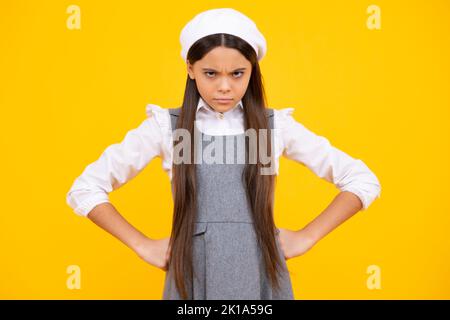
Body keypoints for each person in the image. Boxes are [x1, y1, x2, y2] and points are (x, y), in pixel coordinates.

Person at [66, 8, 381, 300]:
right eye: (211, 73)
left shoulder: (273, 128)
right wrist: (142, 244)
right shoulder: (168, 128)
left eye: (237, 74)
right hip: (192, 278)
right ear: (190, 68)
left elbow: (361, 180)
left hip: (261, 278)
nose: (225, 87)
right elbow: (85, 188)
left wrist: (307, 237)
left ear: (252, 70)